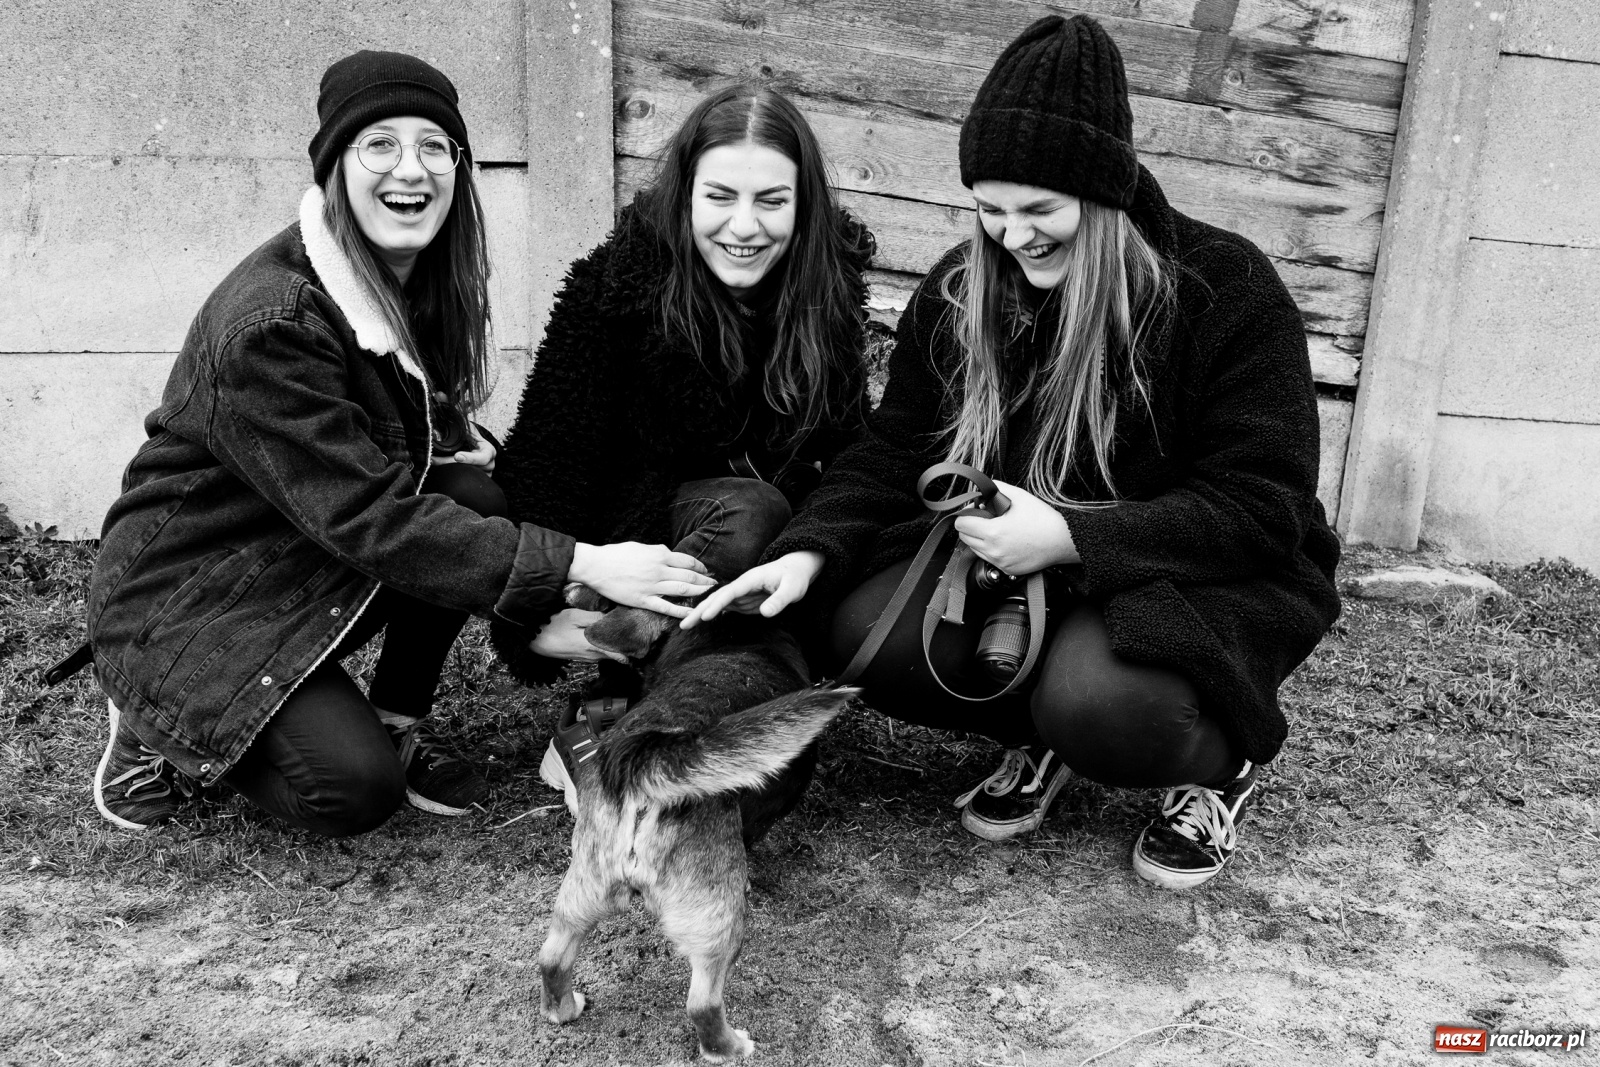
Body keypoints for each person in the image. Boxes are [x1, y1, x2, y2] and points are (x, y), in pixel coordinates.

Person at [685, 16, 1342, 890]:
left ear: (1105, 194)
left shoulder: (1225, 288)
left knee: (1107, 708)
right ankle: (1036, 739)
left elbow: (1262, 505)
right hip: (1015, 575)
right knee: (863, 635)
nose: (1012, 236)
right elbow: (894, 444)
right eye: (990, 209)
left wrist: (1072, 538)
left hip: (1187, 571)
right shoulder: (964, 285)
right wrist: (808, 548)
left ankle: (1218, 771)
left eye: (1040, 211)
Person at [86, 51, 713, 837]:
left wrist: (452, 439)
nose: (409, 168)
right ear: (334, 166)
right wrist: (585, 561)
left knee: (476, 495)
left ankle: (393, 718)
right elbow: (370, 519)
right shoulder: (273, 323)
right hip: (192, 599)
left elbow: (396, 408)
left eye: (432, 145)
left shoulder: (407, 275)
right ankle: (154, 728)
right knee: (348, 791)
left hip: (287, 552)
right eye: (378, 144)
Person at [487, 85, 875, 788]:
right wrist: (538, 602)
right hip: (637, 532)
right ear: (685, 191)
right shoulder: (619, 287)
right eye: (720, 196)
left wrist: (819, 549)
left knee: (777, 535)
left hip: (766, 550)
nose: (744, 225)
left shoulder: (827, 292)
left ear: (804, 204)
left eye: (772, 201)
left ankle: (627, 706)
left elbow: (848, 446)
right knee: (748, 512)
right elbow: (551, 450)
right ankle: (615, 679)